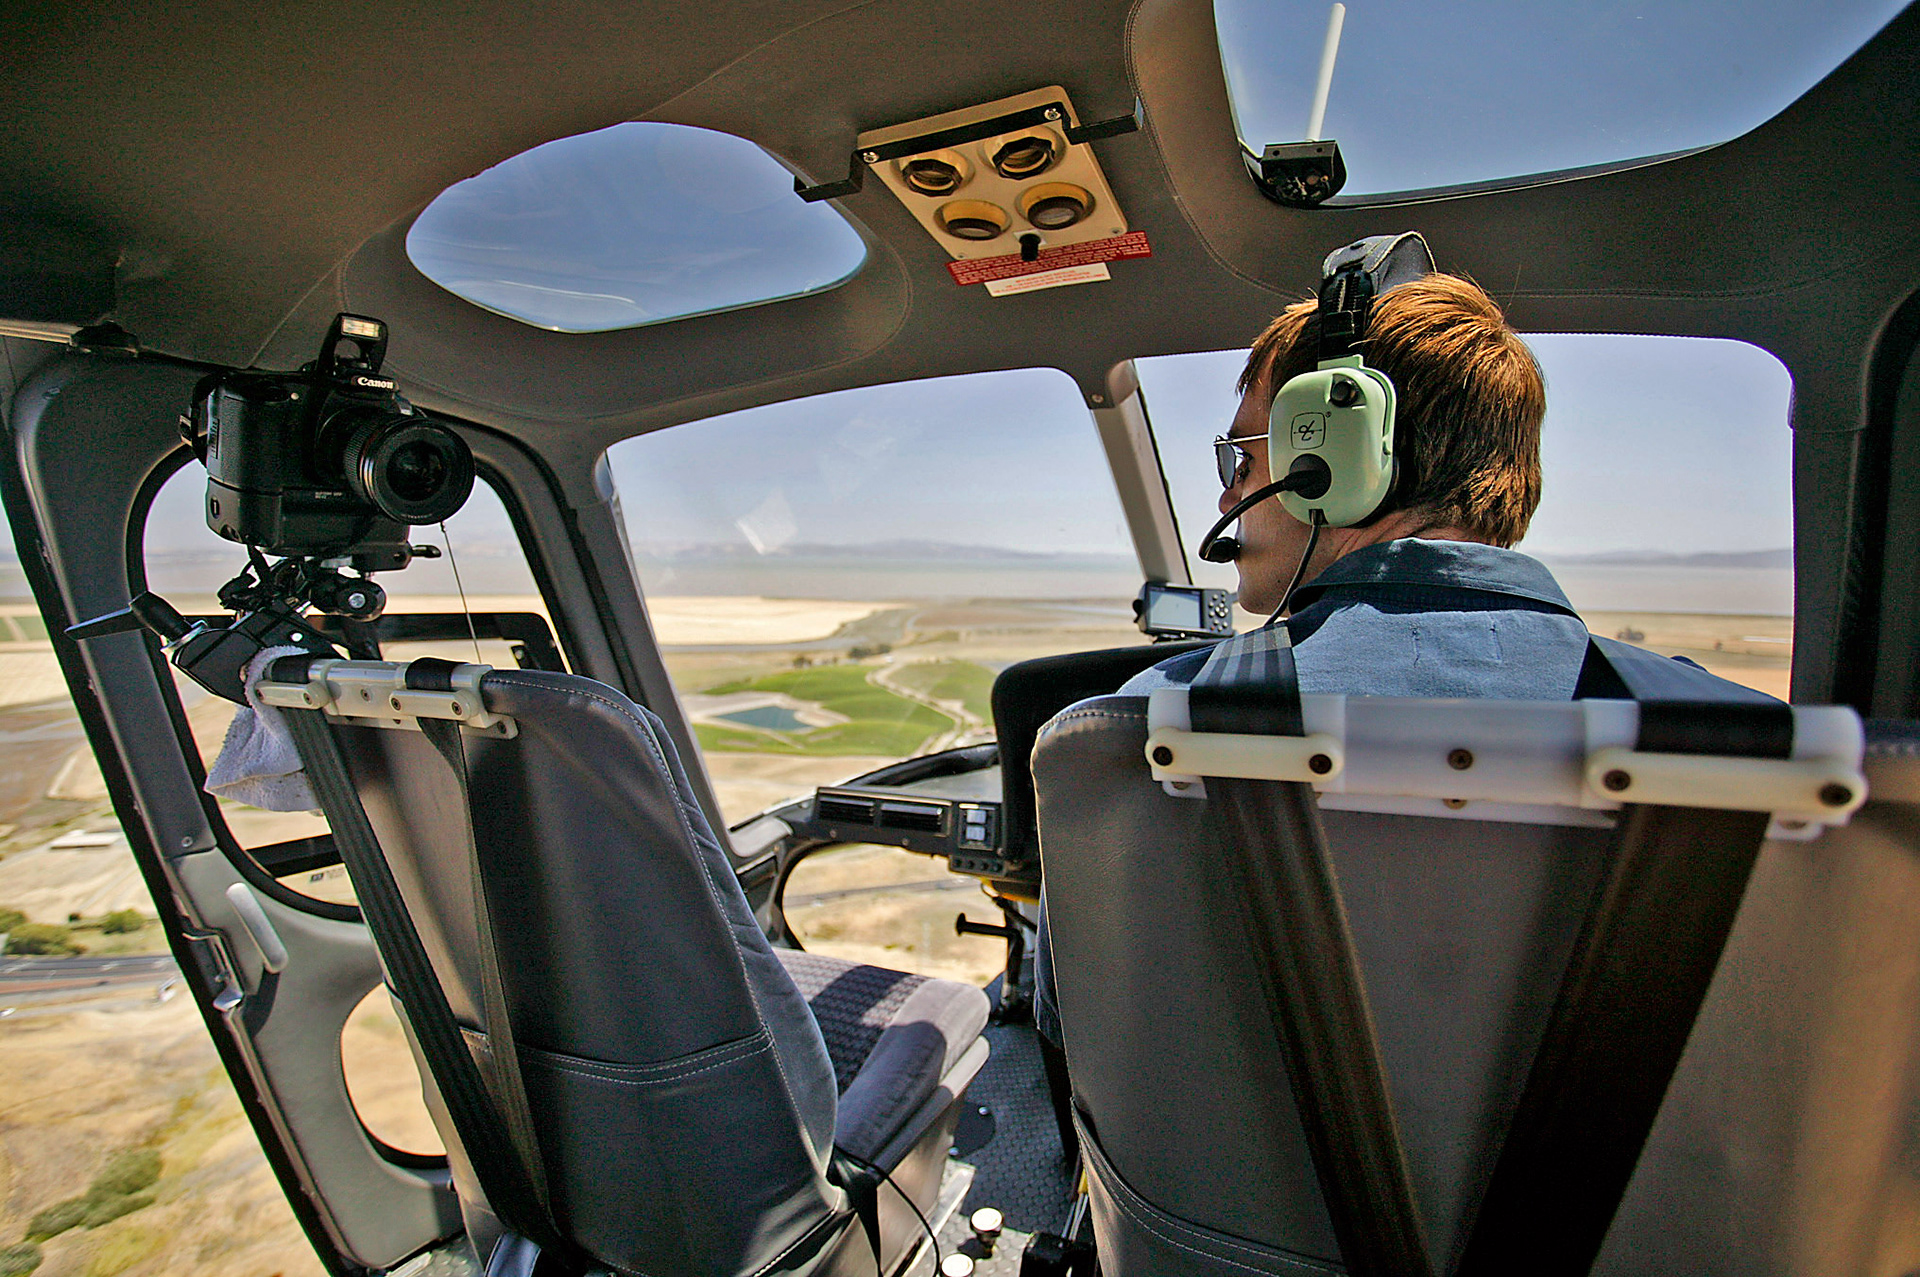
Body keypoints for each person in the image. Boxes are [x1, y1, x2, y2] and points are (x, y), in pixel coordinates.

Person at [1029, 267, 1772, 1079]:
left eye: (1239, 460)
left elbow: (1072, 1021)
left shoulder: (1146, 727)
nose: (1224, 501)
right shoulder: (1736, 745)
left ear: (1333, 459)